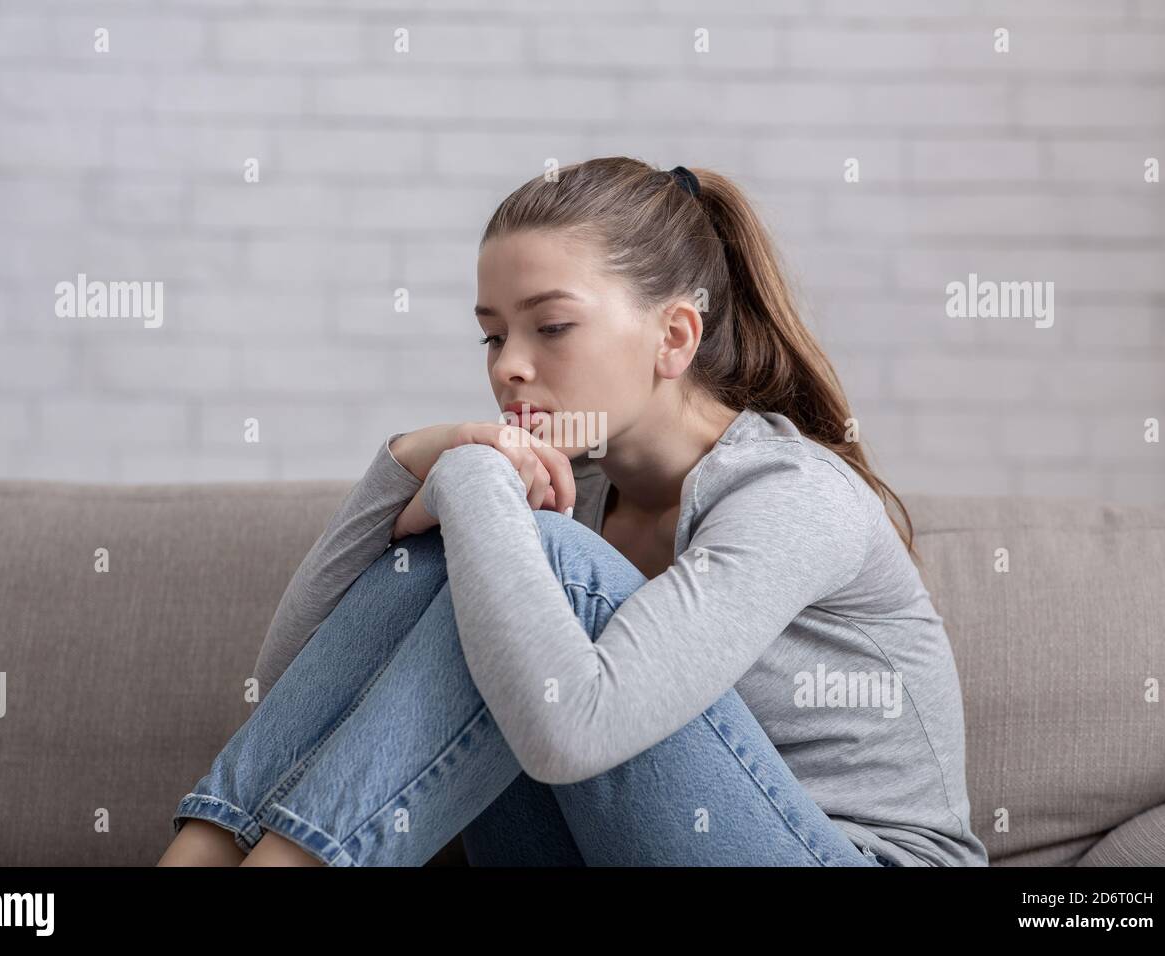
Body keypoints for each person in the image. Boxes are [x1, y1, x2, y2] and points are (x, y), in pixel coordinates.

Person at [158, 157, 989, 867]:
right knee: (487, 565)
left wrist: (471, 473)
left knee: (536, 554)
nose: (509, 367)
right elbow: (294, 680)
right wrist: (415, 456)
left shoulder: (794, 495)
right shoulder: (577, 483)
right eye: (491, 336)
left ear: (675, 337)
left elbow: (576, 735)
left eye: (552, 326)